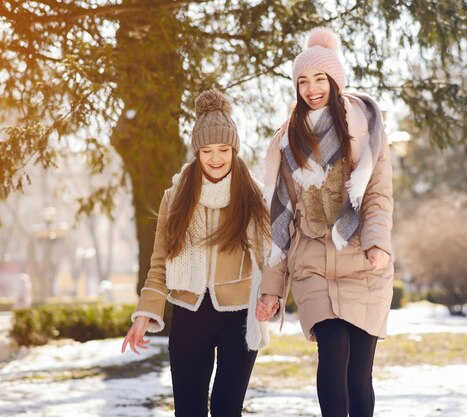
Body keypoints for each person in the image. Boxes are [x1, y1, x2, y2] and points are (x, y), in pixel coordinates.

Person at [256, 28, 394, 417]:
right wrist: (272, 290)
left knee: (359, 376)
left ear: (335, 80)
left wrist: (377, 241)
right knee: (333, 353)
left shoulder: (366, 129)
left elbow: (378, 195)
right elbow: (279, 219)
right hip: (312, 262)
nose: (312, 89)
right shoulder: (287, 141)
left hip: (362, 262)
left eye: (319, 79)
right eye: (302, 81)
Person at [122, 89, 273, 417]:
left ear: (234, 149)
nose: (216, 158)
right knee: (188, 411)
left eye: (223, 149)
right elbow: (161, 260)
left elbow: (270, 257)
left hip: (240, 316)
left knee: (226, 409)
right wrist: (146, 311)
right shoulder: (175, 198)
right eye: (207, 150)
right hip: (190, 313)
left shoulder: (253, 196)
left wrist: (271, 296)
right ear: (197, 151)